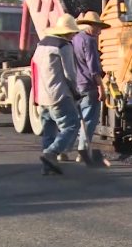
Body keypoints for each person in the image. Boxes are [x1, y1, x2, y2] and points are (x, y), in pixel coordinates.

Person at [31, 14, 81, 175]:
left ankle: (47, 167)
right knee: (72, 125)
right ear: (69, 32)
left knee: (49, 130)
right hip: (58, 94)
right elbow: (70, 74)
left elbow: (34, 68)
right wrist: (76, 92)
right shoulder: (64, 46)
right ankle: (51, 152)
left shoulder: (42, 44)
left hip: (42, 95)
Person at [61, 11, 110, 162]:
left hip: (76, 85)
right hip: (89, 85)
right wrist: (101, 87)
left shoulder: (74, 39)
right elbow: (93, 67)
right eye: (97, 27)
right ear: (91, 26)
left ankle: (63, 149)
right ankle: (82, 151)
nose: (99, 31)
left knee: (74, 121)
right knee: (88, 120)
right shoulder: (89, 41)